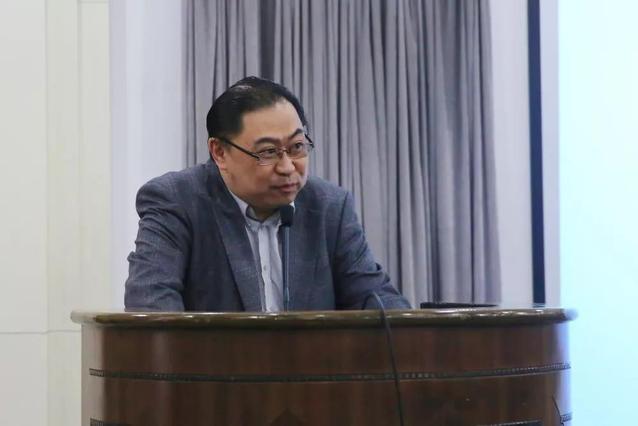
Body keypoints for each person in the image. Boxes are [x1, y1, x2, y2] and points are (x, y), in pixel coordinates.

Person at [124, 76, 410, 312]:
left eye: (297, 147)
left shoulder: (330, 206)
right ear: (220, 152)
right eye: (268, 152)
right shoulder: (176, 201)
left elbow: (376, 299)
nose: (287, 168)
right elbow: (151, 306)